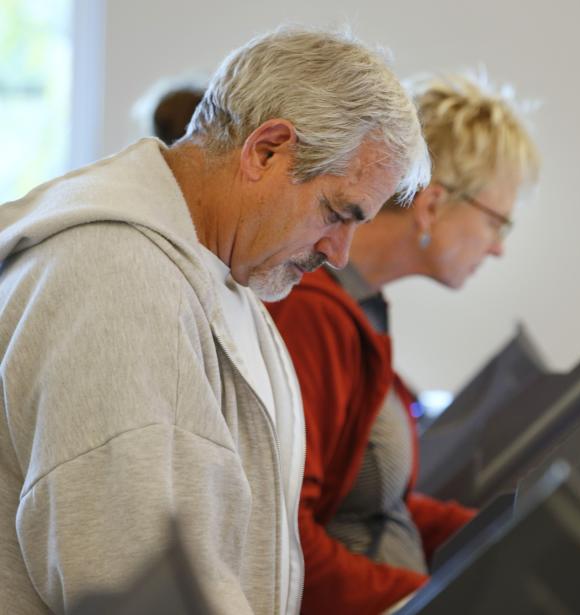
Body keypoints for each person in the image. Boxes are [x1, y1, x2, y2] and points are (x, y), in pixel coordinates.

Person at [0, 26, 429, 615]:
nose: (340, 252)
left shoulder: (225, 270)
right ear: (267, 150)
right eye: (336, 212)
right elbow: (132, 581)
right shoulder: (117, 280)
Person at [266, 72, 540, 615]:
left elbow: (372, 503)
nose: (497, 249)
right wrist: (433, 601)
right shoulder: (312, 310)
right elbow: (286, 544)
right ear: (432, 205)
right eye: (497, 223)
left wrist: (517, 526)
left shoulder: (361, 307)